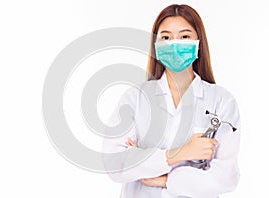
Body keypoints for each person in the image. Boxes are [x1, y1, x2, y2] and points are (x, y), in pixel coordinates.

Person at [102, 4, 240, 198]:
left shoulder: (221, 101)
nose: (175, 44)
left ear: (198, 43)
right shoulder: (135, 98)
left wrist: (162, 177)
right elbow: (115, 165)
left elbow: (226, 177)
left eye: (184, 37)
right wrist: (182, 153)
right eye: (166, 37)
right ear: (157, 46)